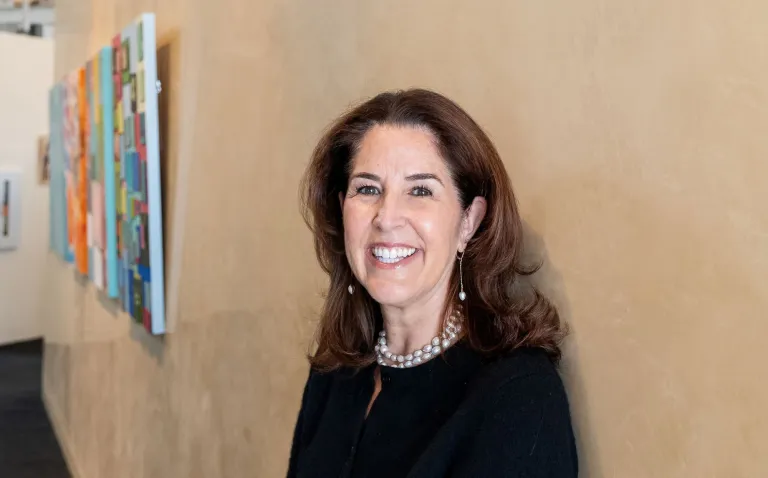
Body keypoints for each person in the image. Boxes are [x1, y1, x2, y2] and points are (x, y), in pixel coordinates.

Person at [290, 89, 577, 477]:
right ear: (342, 209)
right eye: (368, 189)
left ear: (468, 221)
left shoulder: (518, 398)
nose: (386, 217)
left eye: (420, 190)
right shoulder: (335, 372)